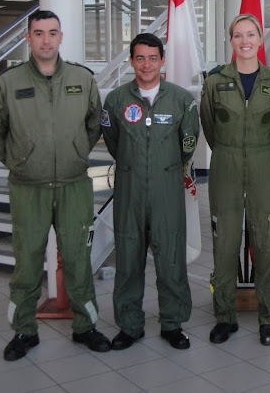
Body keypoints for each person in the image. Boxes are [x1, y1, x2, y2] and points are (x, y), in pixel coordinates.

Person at [0, 9, 111, 361]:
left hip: (72, 184)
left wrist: (77, 152)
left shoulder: (82, 79)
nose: (46, 40)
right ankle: (24, 330)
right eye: (39, 33)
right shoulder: (8, 83)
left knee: (78, 258)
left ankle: (86, 327)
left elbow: (93, 123)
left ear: (61, 36)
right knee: (27, 260)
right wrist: (19, 161)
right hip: (28, 187)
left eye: (52, 32)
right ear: (28, 38)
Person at [101, 33, 199, 351]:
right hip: (129, 191)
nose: (146, 64)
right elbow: (114, 143)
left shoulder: (181, 100)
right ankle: (130, 325)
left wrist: (161, 167)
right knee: (129, 259)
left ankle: (172, 323)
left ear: (162, 60)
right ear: (131, 61)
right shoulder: (116, 100)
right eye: (140, 58)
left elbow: (187, 146)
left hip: (167, 190)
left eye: (152, 57)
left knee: (170, 258)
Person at [200, 14, 270, 346]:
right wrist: (230, 151)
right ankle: (224, 316)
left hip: (264, 165)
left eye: (251, 34)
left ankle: (268, 317)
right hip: (226, 165)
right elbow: (209, 125)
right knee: (224, 245)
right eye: (238, 35)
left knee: (267, 243)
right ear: (230, 39)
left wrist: (258, 150)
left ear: (260, 39)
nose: (245, 41)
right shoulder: (213, 82)